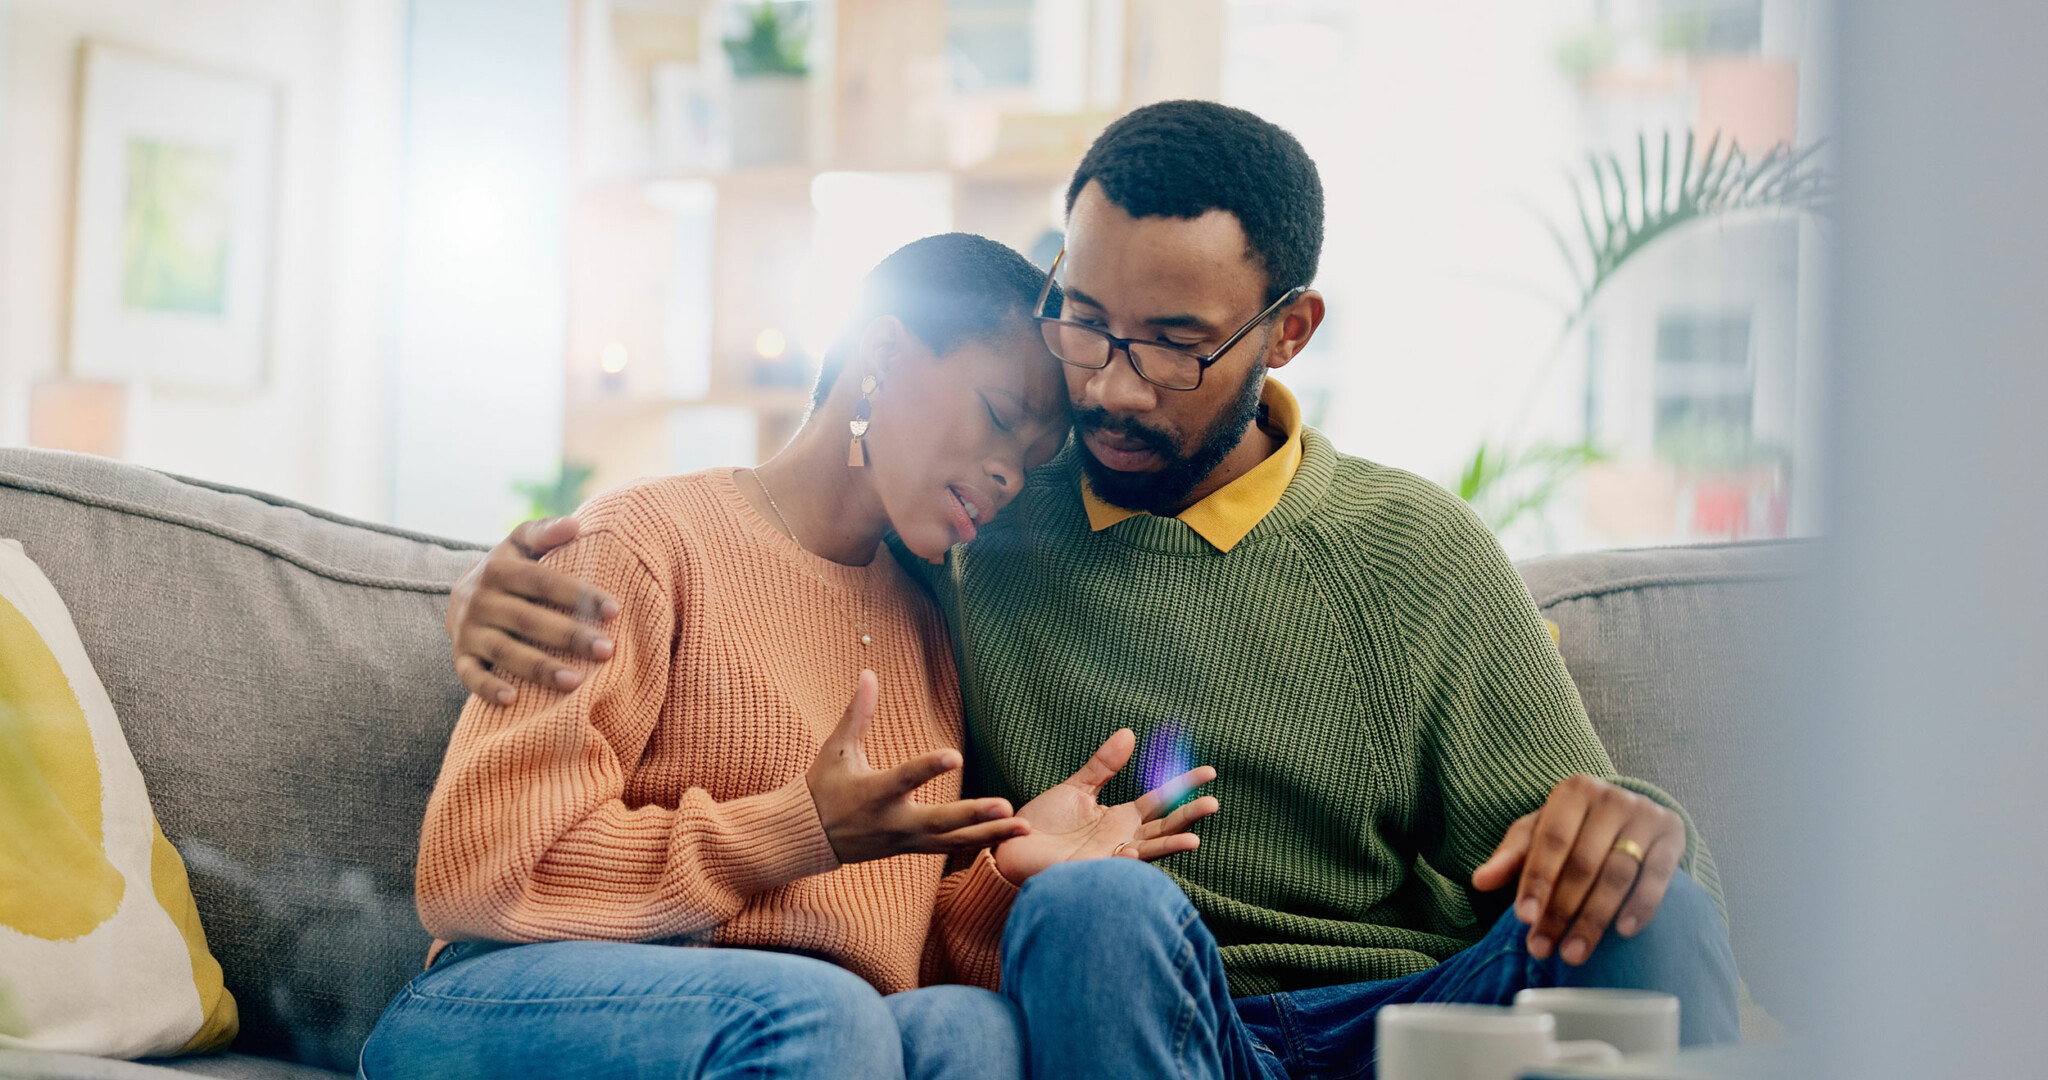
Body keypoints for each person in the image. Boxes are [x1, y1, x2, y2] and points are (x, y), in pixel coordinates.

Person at [447, 102, 1742, 1079]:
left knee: (1656, 913)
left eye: (1174, 346)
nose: (1109, 386)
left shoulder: (1414, 551)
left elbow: (1580, 842)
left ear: (1287, 332)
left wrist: (1635, 825)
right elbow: (761, 544)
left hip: (1398, 1019)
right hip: (1134, 997)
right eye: (1084, 320)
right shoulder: (978, 531)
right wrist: (488, 592)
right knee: (1093, 905)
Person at [357, 233, 1218, 1080]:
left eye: (1033, 463)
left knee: (972, 1028)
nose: (1008, 476)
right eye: (999, 417)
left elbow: (883, 946)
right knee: (819, 1014)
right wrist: (794, 830)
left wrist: (1003, 870)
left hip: (800, 1034)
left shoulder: (925, 626)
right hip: (507, 998)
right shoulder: (643, 543)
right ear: (881, 351)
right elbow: (480, 872)